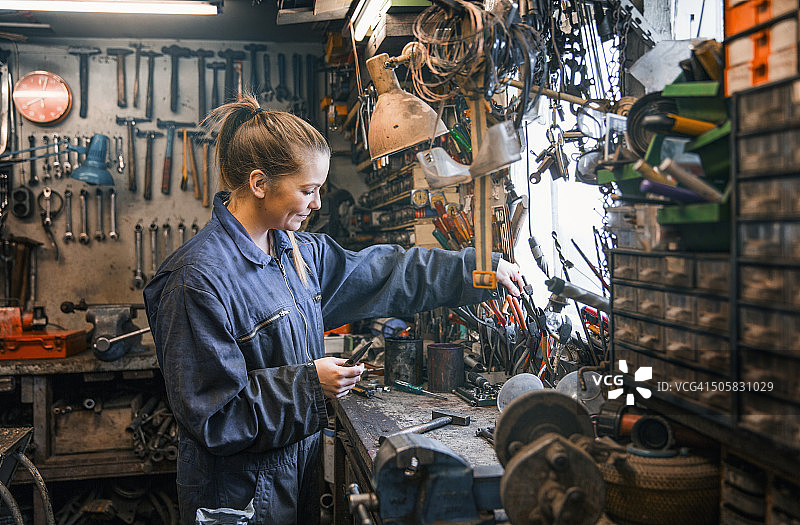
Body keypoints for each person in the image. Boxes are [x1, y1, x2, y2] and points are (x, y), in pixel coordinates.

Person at [143, 96, 524, 525]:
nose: (318, 203)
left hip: (293, 473)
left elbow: (388, 273)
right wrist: (309, 385)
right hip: (239, 496)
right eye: (308, 190)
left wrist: (476, 269)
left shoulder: (296, 254)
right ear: (258, 183)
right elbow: (216, 417)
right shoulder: (196, 280)